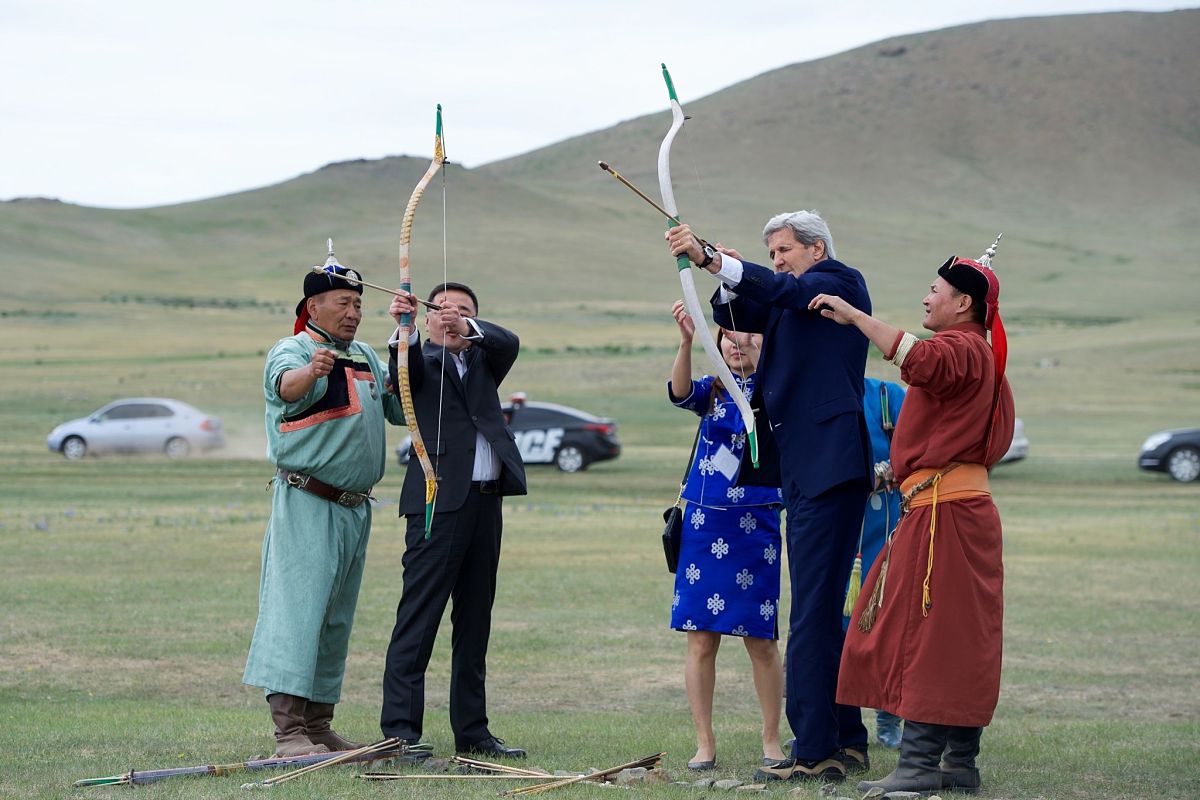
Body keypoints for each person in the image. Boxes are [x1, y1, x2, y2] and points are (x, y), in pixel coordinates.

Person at [667, 211, 873, 782]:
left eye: (784, 249)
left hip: (826, 468)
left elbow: (784, 289)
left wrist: (715, 258)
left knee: (809, 612)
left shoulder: (838, 282)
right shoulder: (790, 294)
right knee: (821, 610)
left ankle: (814, 751)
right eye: (772, 252)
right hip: (807, 473)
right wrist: (719, 275)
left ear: (816, 248)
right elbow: (738, 312)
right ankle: (845, 738)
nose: (778, 260)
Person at [811, 249, 1014, 795]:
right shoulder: (982, 354)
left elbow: (921, 361)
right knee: (958, 635)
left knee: (929, 633)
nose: (926, 298)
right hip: (951, 510)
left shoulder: (964, 348)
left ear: (962, 302)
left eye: (934, 290)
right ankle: (957, 763)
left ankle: (922, 766)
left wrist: (855, 317)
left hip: (945, 516)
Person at [243, 256, 405, 757]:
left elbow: (399, 409)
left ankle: (318, 725)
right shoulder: (292, 349)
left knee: (335, 617)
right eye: (344, 302)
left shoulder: (365, 354)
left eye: (359, 303)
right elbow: (284, 388)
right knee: (298, 609)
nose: (354, 312)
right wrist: (310, 372)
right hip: (308, 499)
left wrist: (405, 339)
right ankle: (288, 732)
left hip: (355, 508)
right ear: (314, 305)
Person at [380, 282, 528, 759]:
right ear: (425, 319)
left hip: (486, 504)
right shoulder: (418, 363)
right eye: (442, 309)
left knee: (474, 621)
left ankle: (473, 733)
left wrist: (467, 328)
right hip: (435, 503)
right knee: (419, 618)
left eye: (463, 311)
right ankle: (400, 733)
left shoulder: (487, 361)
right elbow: (400, 374)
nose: (451, 316)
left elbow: (509, 341)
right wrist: (401, 330)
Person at [666, 300, 787, 772]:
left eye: (747, 335)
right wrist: (684, 341)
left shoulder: (776, 388)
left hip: (756, 525)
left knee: (761, 640)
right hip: (703, 522)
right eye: (728, 337)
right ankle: (704, 742)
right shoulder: (712, 390)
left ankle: (772, 739)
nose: (737, 343)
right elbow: (678, 393)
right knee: (700, 639)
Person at [854, 377, 907, 751]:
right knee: (837, 627)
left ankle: (889, 712)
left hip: (886, 528)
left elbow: (919, 448)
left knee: (887, 622)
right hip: (837, 531)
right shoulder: (810, 388)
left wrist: (886, 471)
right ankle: (838, 716)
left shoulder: (888, 398)